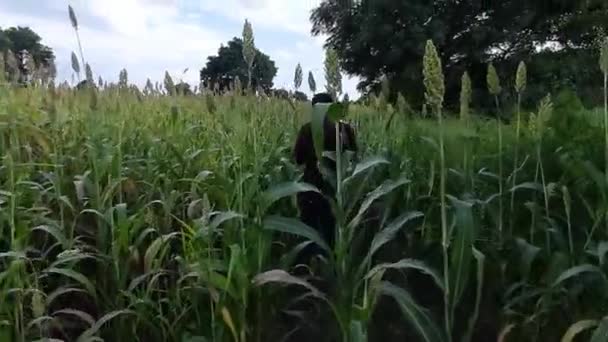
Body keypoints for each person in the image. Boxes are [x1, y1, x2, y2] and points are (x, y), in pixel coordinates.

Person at [292, 92, 357, 263]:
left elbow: (298, 159)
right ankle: (332, 265)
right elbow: (354, 156)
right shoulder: (345, 129)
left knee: (310, 230)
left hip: (311, 188)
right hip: (337, 188)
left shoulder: (307, 129)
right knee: (332, 230)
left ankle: (309, 266)